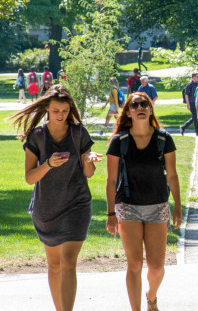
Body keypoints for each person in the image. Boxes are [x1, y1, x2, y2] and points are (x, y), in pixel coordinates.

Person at [10, 84, 102, 311]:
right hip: (47, 208)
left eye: (64, 110)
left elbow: (88, 174)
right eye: (55, 111)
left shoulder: (79, 132)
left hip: (77, 205)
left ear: (70, 109)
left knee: (69, 262)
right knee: (54, 266)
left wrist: (89, 161)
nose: (60, 115)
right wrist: (49, 164)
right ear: (47, 110)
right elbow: (30, 178)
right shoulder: (37, 136)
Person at [105, 92, 182, 311]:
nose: (140, 107)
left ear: (150, 109)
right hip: (127, 207)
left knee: (156, 267)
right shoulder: (119, 141)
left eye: (144, 104)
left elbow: (173, 175)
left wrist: (177, 205)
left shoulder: (163, 139)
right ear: (128, 111)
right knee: (135, 263)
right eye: (134, 104)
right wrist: (111, 214)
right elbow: (111, 181)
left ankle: (152, 296)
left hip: (157, 206)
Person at [180, 71, 198, 136]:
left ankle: (183, 127)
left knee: (195, 117)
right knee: (195, 117)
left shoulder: (197, 85)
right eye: (197, 76)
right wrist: (188, 104)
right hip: (191, 103)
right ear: (193, 77)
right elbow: (186, 95)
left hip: (196, 103)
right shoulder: (189, 85)